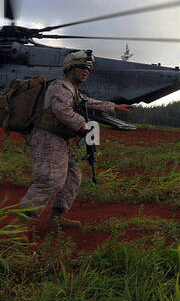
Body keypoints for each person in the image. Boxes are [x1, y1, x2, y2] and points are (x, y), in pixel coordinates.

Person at [17, 50, 130, 234]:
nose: (86, 71)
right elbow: (62, 111)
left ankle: (56, 219)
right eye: (81, 68)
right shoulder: (60, 87)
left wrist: (113, 106)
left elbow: (87, 102)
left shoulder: (73, 89)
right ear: (70, 69)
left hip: (59, 139)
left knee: (72, 176)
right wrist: (83, 125)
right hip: (47, 138)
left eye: (88, 69)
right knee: (50, 180)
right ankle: (17, 226)